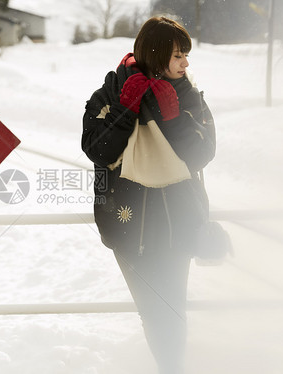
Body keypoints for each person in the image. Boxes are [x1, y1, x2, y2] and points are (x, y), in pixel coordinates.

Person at [81, 17, 216, 374]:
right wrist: (126, 110)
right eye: (177, 55)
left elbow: (204, 152)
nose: (185, 63)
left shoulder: (189, 95)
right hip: (128, 225)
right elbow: (97, 149)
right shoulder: (109, 93)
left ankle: (171, 367)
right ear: (156, 55)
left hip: (178, 223)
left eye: (185, 55)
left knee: (171, 309)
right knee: (154, 310)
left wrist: (173, 119)